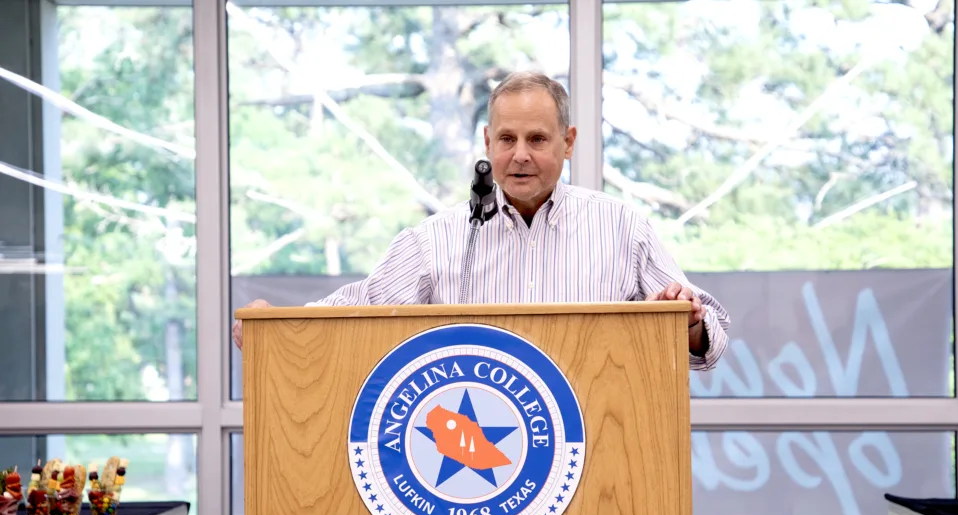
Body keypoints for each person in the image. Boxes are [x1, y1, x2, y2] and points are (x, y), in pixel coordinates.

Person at [233, 71, 730, 370]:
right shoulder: (437, 240)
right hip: (481, 479)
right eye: (507, 140)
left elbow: (708, 338)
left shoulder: (623, 227)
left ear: (568, 142)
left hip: (599, 452)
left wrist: (687, 321)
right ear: (487, 143)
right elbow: (358, 312)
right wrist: (275, 328)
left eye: (537, 139)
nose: (520, 156)